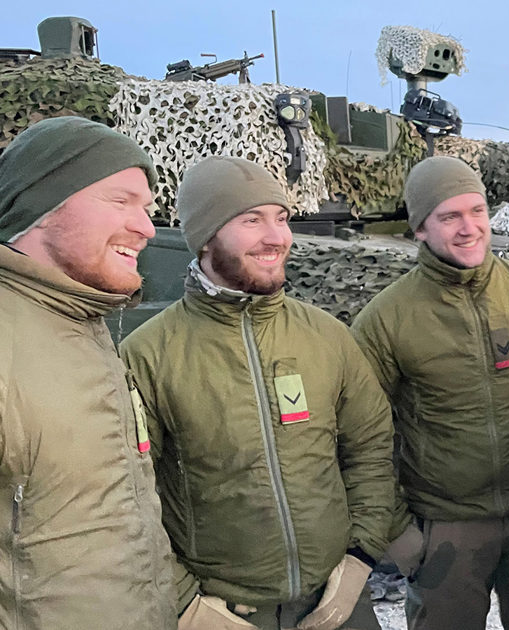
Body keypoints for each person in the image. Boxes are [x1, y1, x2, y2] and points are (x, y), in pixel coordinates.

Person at [120, 156, 398, 630]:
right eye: (251, 220)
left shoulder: (326, 337)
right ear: (205, 237)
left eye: (281, 218)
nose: (277, 237)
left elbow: (371, 448)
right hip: (226, 612)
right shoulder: (148, 355)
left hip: (336, 601)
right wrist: (186, 603)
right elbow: (128, 496)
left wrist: (360, 556)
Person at [349, 156, 509, 630]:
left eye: (477, 211)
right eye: (449, 216)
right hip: (447, 526)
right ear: (420, 229)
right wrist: (399, 532)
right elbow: (362, 435)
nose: (469, 228)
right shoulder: (386, 319)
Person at [0, 116, 178, 629]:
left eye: (146, 208)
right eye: (120, 201)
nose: (147, 228)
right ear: (41, 206)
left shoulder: (81, 316)